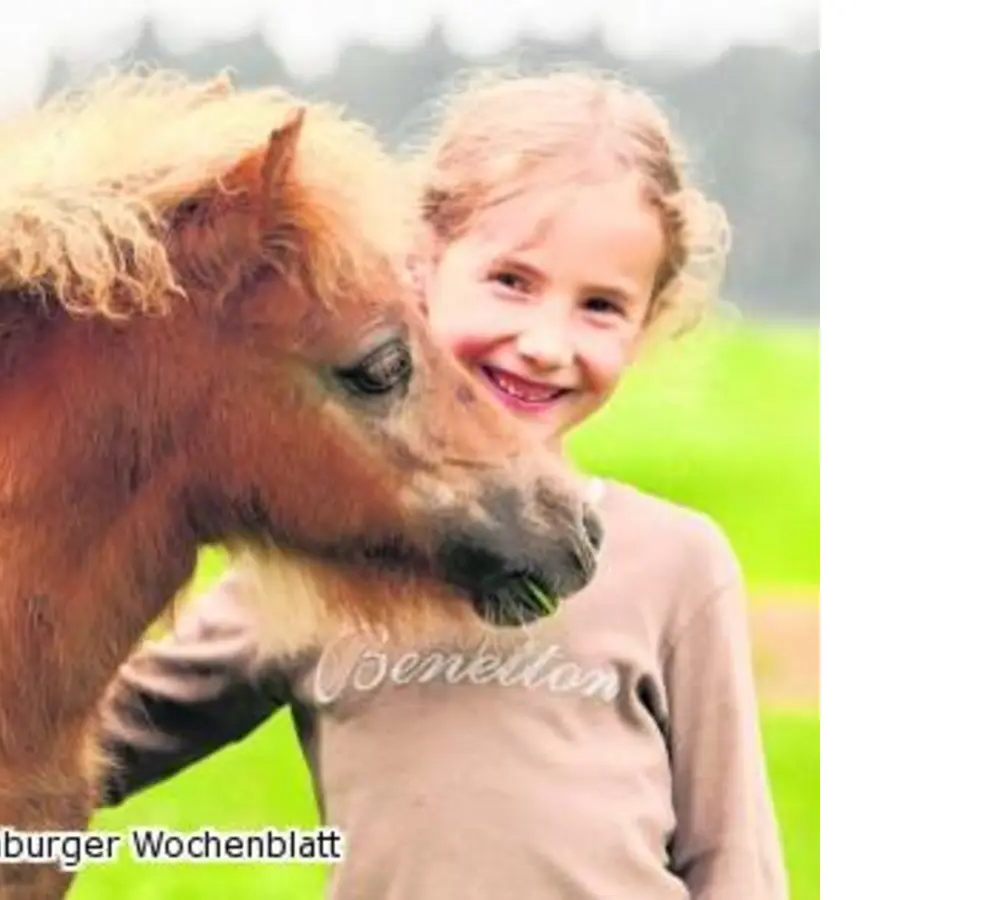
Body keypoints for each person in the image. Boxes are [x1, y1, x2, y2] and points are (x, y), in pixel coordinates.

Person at [96, 68, 788, 900]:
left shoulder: (677, 564)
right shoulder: (316, 567)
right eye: (512, 281)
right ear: (420, 271)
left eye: (600, 306)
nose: (545, 341)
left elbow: (734, 858)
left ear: (646, 324)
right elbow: (98, 747)